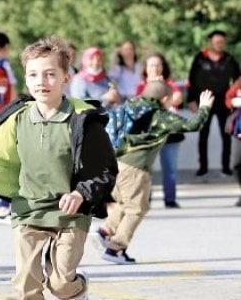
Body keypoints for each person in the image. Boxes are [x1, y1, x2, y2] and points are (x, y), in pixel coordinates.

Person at [0, 36, 117, 299]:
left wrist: (81, 194)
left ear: (66, 78)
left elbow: (106, 170)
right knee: (26, 286)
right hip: (29, 209)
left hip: (71, 214)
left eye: (50, 74)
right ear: (26, 79)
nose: (41, 81)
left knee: (61, 285)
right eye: (34, 74)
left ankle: (77, 287)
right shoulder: (16, 119)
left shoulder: (84, 121)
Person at [95, 81, 213, 264]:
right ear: (164, 99)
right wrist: (204, 107)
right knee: (137, 208)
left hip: (117, 163)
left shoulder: (132, 105)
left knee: (124, 203)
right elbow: (193, 125)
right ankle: (115, 250)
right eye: (170, 101)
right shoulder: (160, 116)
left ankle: (105, 231)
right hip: (136, 168)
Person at [134, 53, 185, 208]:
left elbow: (178, 97)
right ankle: (146, 200)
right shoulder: (142, 86)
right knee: (146, 169)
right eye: (151, 65)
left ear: (163, 67)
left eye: (158, 65)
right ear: (146, 68)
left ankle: (170, 200)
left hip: (170, 133)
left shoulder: (170, 84)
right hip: (148, 134)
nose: (155, 68)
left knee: (170, 168)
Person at [187, 30, 240, 177]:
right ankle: (203, 167)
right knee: (203, 134)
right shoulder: (200, 58)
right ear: (210, 42)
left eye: (221, 42)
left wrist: (235, 99)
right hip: (204, 100)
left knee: (226, 135)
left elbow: (237, 81)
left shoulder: (229, 59)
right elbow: (191, 80)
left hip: (224, 103)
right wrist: (191, 100)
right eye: (216, 42)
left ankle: (226, 168)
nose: (219, 44)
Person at [224, 78, 241, 207]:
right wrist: (234, 102)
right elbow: (228, 98)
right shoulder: (239, 82)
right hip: (238, 130)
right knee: (236, 163)